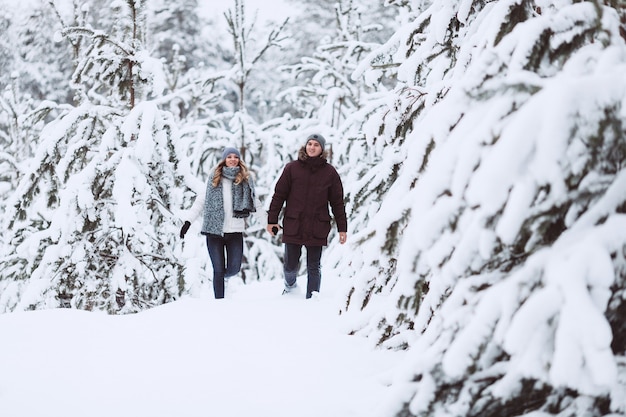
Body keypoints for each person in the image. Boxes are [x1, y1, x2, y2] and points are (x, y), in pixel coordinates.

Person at [266, 133, 348, 299]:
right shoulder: (292, 168)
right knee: (290, 266)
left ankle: (312, 299)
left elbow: (337, 203)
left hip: (317, 226)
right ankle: (290, 286)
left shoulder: (330, 173)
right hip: (293, 224)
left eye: (316, 145)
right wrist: (272, 220)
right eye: (309, 144)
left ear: (322, 149)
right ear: (305, 146)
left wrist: (342, 229)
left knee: (313, 266)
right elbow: (279, 195)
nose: (312, 147)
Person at [179, 147, 256, 299]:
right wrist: (188, 222)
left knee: (234, 268)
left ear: (239, 160)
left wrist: (269, 222)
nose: (233, 159)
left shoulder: (244, 180)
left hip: (234, 232)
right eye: (229, 157)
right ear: (224, 160)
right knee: (218, 270)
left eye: (235, 157)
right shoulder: (214, 179)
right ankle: (219, 304)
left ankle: (221, 279)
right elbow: (201, 201)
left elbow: (255, 203)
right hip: (214, 232)